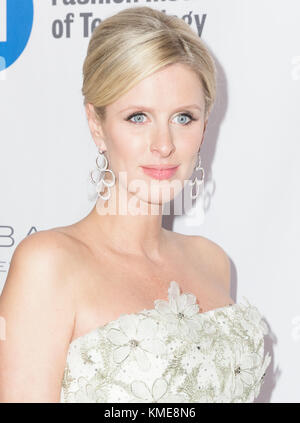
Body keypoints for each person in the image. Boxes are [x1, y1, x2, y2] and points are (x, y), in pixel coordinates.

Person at [0, 6, 271, 403]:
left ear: (205, 125)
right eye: (138, 116)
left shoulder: (212, 262)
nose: (164, 145)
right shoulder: (49, 265)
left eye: (183, 117)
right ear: (97, 125)